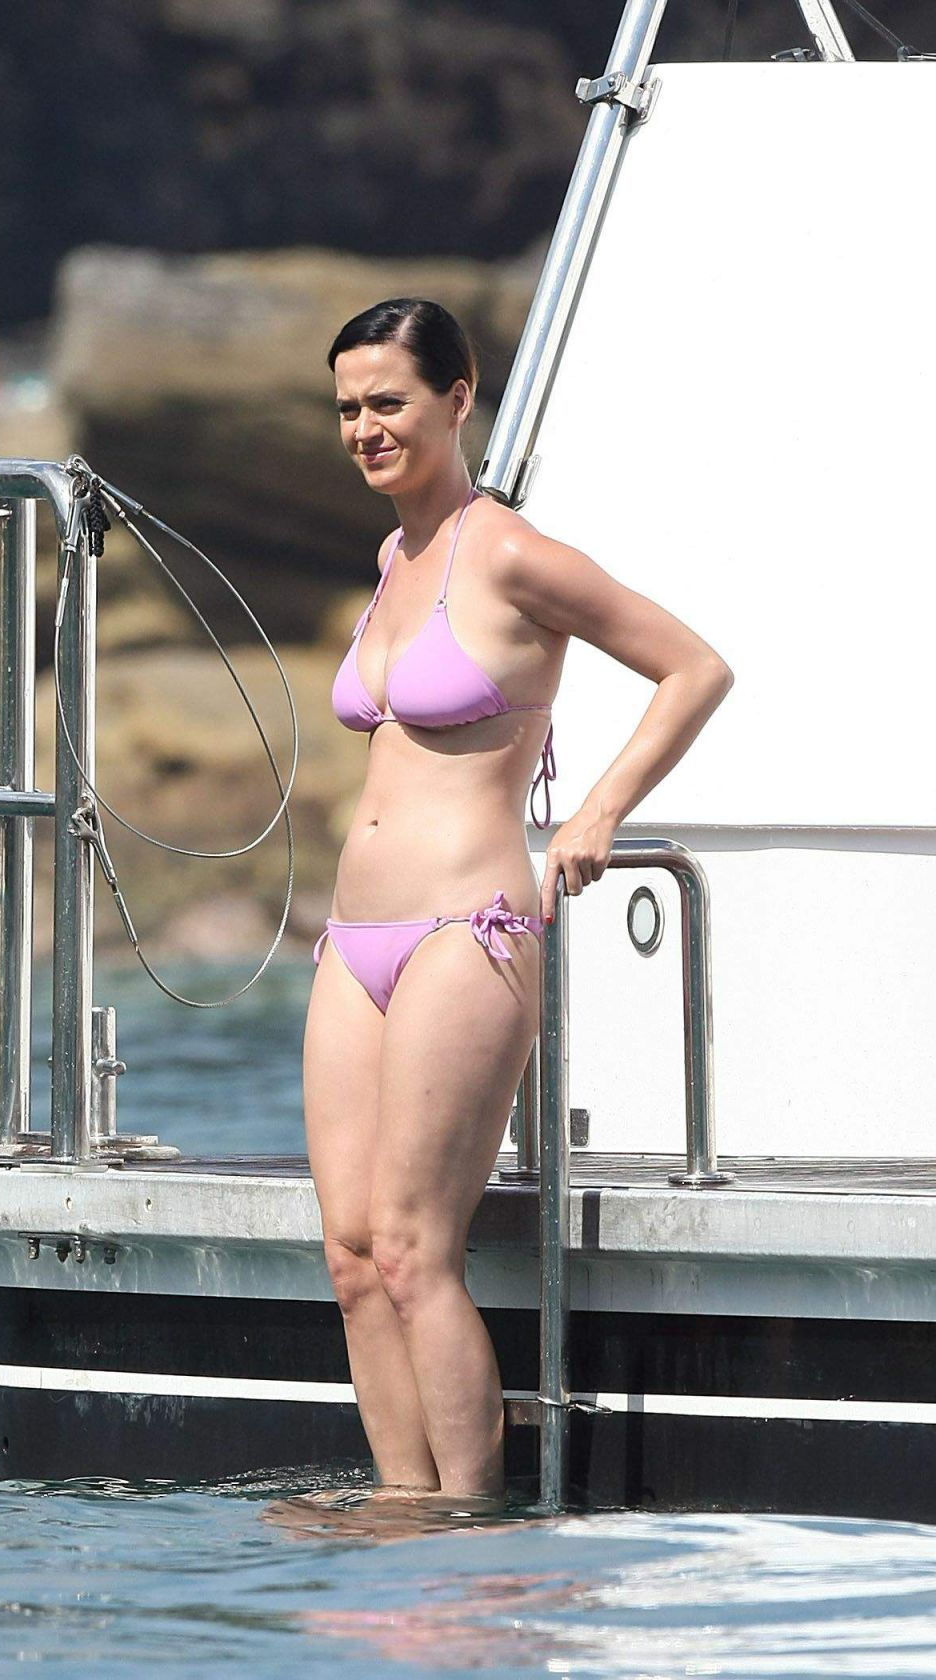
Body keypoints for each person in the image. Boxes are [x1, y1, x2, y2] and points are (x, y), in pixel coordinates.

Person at [302, 297, 734, 1516]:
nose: (366, 427)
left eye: (389, 401)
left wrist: (595, 811)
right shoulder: (391, 562)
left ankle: (470, 1519)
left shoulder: (508, 554)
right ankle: (402, 1512)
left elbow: (692, 667)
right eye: (348, 408)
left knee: (412, 1248)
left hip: (465, 929)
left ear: (458, 397)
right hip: (355, 938)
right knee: (349, 1256)